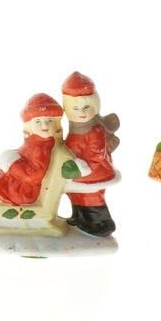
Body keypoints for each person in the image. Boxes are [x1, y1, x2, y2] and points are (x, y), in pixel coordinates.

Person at [0, 93, 81, 216]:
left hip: (24, 188)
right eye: (38, 121)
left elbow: (35, 174)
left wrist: (11, 163)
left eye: (49, 121)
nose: (45, 125)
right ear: (29, 125)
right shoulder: (38, 141)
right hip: (19, 180)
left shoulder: (42, 148)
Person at [61, 71, 120, 237]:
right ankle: (80, 216)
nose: (81, 112)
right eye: (75, 108)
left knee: (91, 196)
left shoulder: (95, 130)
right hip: (78, 170)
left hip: (93, 171)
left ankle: (101, 223)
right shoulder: (75, 127)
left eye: (86, 107)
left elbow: (97, 153)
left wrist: (85, 168)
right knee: (75, 193)